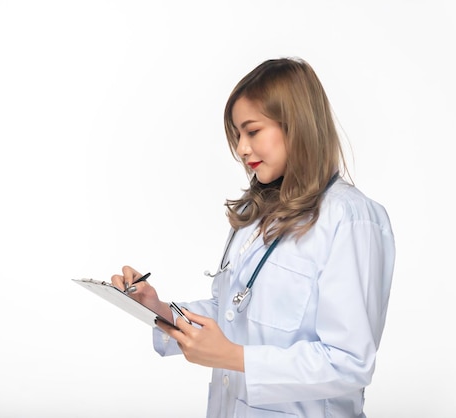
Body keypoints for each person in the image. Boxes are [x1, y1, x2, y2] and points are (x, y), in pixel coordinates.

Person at [110, 57, 395, 418]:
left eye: (253, 131)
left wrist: (234, 357)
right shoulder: (254, 216)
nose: (242, 148)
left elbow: (349, 362)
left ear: (298, 126)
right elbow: (230, 313)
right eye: (237, 135)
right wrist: (160, 310)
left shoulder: (351, 220)